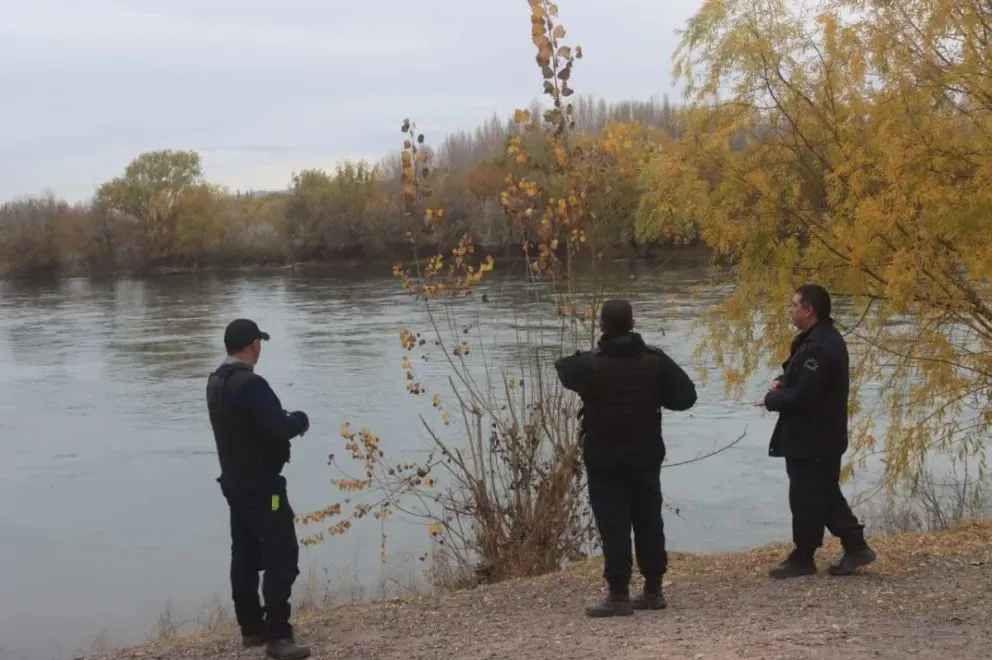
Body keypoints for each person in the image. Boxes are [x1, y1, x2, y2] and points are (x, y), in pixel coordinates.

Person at [554, 299, 698, 617]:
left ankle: (618, 594)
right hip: (646, 453)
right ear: (633, 324)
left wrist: (596, 354)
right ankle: (653, 590)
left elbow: (563, 368)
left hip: (605, 456)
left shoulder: (591, 365)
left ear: (602, 326)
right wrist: (656, 392)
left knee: (613, 522)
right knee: (648, 518)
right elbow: (686, 396)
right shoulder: (655, 361)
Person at [206, 318, 312, 660]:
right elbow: (279, 427)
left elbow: (252, 425)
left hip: (234, 483)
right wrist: (301, 419)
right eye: (259, 343)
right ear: (254, 345)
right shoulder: (251, 384)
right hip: (263, 486)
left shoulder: (216, 381)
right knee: (282, 556)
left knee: (246, 556)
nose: (260, 348)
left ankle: (251, 628)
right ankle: (279, 637)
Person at [755, 284, 876, 579]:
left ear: (809, 310)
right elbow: (805, 380)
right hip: (812, 435)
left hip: (815, 437)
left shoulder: (821, 346)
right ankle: (827, 550)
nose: (790, 309)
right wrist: (783, 380)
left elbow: (806, 395)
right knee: (816, 494)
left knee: (813, 495)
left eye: (794, 305)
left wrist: (771, 400)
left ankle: (813, 554)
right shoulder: (815, 341)